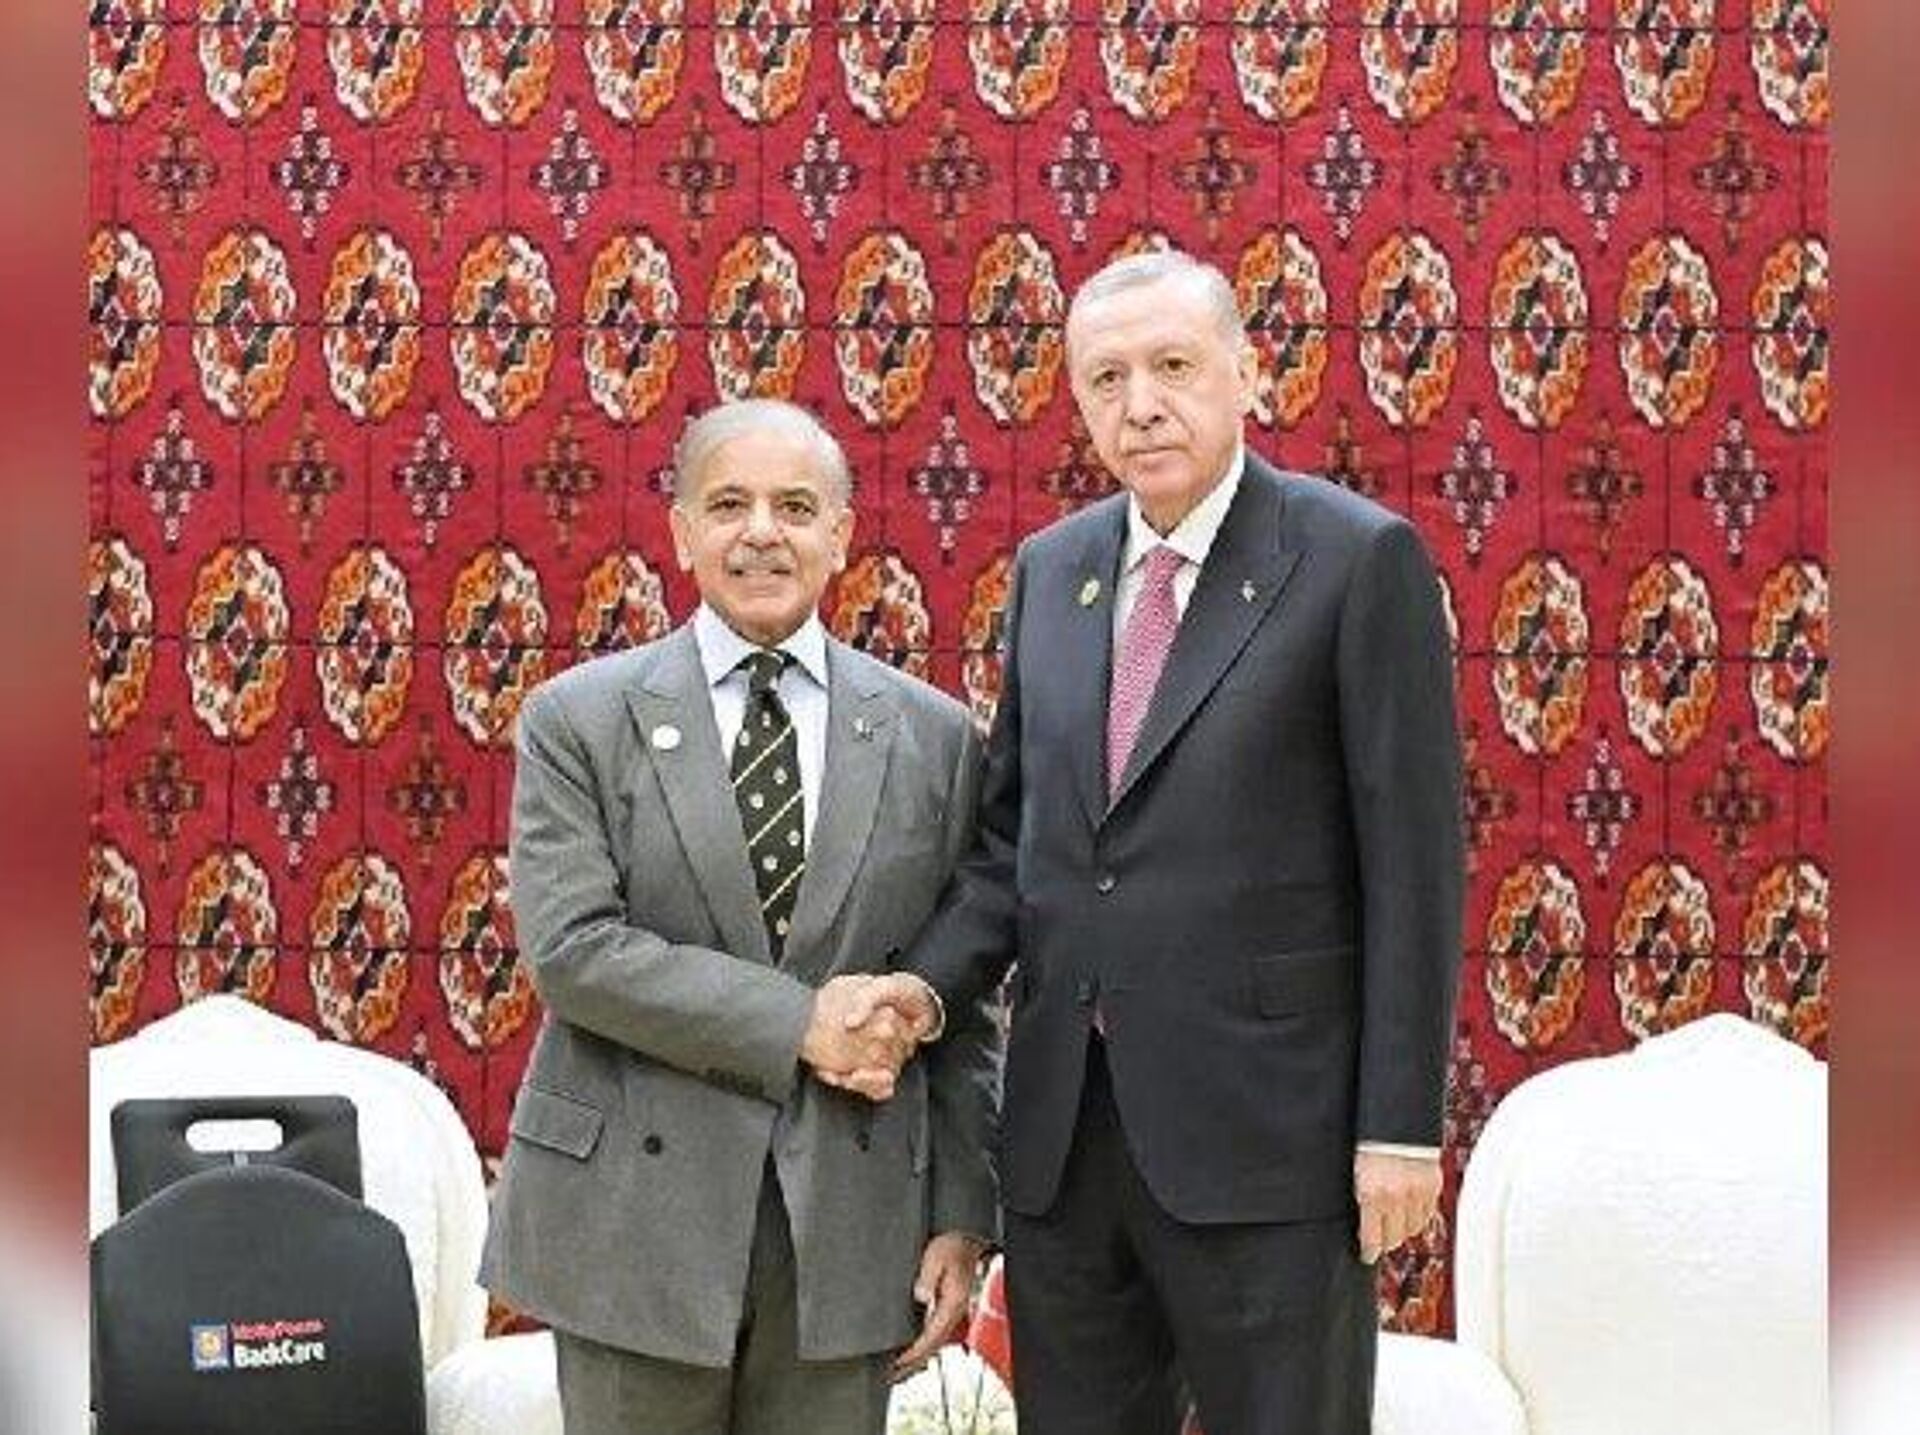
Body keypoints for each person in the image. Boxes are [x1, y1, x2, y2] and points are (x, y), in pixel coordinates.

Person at [839, 250, 1465, 1435]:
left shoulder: (1354, 559)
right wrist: (919, 992)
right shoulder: (1054, 570)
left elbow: (1415, 868)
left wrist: (1398, 1127)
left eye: (1173, 366)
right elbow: (1015, 845)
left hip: (1271, 1146)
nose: (1141, 405)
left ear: (1246, 373)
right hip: (1068, 1146)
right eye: (1107, 378)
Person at [481, 398, 999, 1435]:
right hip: (632, 1226)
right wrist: (801, 1024)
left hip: (850, 1227)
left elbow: (958, 994)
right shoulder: (578, 719)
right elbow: (575, 952)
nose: (762, 531)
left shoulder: (936, 738)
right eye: (729, 504)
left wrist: (961, 1214)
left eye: (795, 507)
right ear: (681, 532)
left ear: (841, 534)